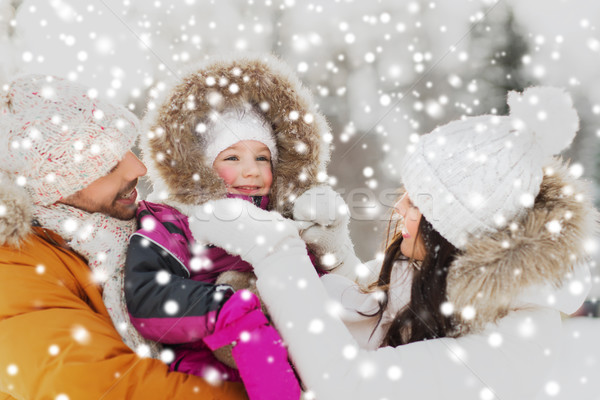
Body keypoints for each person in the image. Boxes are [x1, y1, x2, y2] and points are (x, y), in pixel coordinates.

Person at [188, 86, 596, 399]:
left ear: (453, 233)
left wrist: (278, 251)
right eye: (405, 190)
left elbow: (348, 385)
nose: (398, 206)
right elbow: (363, 320)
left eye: (417, 202)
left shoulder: (516, 346)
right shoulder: (430, 271)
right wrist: (333, 254)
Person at [0, 74, 247, 399]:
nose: (138, 168)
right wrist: (275, 389)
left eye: (127, 149)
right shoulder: (14, 268)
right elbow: (105, 387)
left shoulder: (134, 231)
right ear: (50, 190)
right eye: (105, 167)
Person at [124, 55, 334, 399]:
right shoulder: (173, 220)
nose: (250, 171)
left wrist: (328, 252)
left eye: (262, 158)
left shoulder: (280, 220)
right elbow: (147, 296)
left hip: (296, 368)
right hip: (205, 372)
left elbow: (312, 294)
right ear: (203, 166)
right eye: (232, 157)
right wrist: (225, 305)